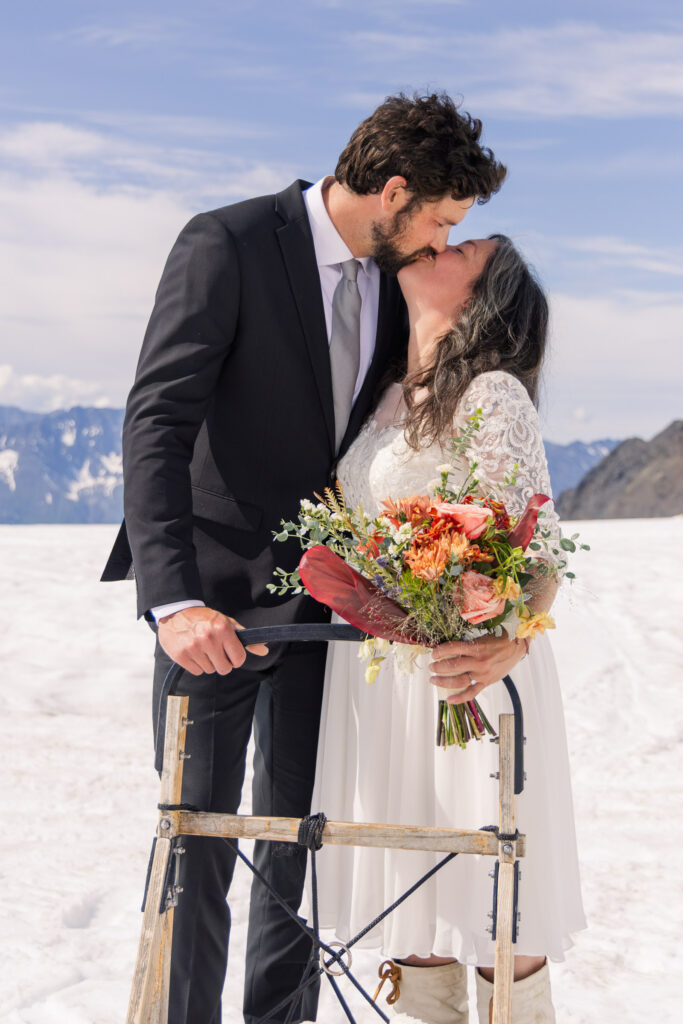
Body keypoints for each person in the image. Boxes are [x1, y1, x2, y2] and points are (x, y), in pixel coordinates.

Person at [101, 93, 507, 1024]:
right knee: (195, 848)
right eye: (441, 219)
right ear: (394, 191)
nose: (443, 240)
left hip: (335, 619)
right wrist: (173, 601)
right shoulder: (228, 242)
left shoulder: (395, 282)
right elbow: (156, 418)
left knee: (299, 847)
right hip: (213, 613)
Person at [306, 236, 587, 1023]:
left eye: (463, 246)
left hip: (470, 668)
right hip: (384, 677)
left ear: (479, 294)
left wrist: (515, 637)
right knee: (413, 902)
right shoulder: (384, 390)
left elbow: (539, 545)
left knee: (499, 902)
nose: (441, 240)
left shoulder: (491, 394)